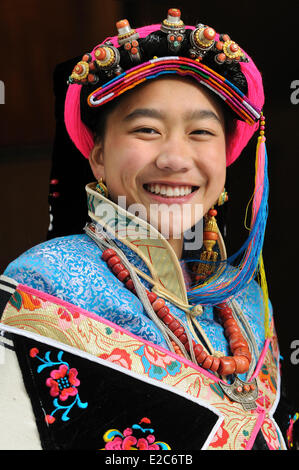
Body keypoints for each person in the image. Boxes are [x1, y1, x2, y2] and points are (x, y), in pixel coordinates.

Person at [0, 8, 298, 451]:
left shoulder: (244, 298)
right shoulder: (43, 284)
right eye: (146, 129)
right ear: (98, 155)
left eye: (201, 132)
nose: (175, 158)